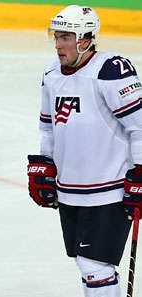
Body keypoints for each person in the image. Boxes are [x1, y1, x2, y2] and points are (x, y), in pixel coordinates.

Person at [27, 5, 142, 297]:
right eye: (56, 37)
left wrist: (140, 172)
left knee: (95, 267)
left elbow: (139, 126)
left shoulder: (111, 71)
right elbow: (48, 127)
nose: (58, 45)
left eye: (66, 37)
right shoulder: (52, 72)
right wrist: (45, 166)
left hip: (110, 188)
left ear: (86, 39)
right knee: (88, 266)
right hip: (70, 190)